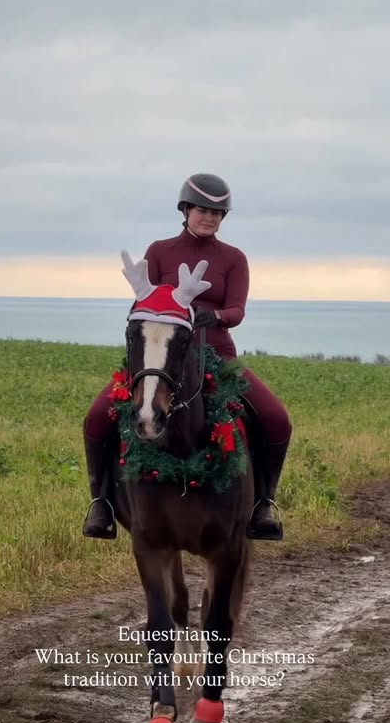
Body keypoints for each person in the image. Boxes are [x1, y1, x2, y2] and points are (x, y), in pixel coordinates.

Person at [82, 173, 292, 541]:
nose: (209, 218)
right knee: (97, 417)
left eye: (218, 213)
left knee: (276, 419)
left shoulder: (233, 258)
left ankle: (263, 504)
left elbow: (237, 310)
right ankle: (101, 503)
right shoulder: (160, 250)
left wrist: (217, 317)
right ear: (185, 209)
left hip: (218, 354)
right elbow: (145, 302)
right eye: (202, 210)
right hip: (162, 358)